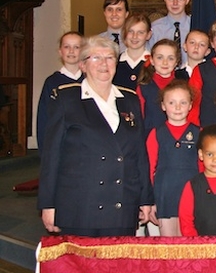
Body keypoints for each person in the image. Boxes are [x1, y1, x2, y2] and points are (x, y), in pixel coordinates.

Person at [38, 36, 154, 237]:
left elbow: (139, 155)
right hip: (81, 206)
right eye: (96, 58)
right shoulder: (65, 98)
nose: (104, 64)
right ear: (83, 65)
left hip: (122, 203)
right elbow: (52, 156)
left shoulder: (129, 99)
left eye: (109, 57)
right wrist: (48, 204)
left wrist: (145, 198)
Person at [146, 80, 200, 236]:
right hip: (165, 194)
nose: (177, 107)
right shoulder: (156, 134)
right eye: (172, 102)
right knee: (168, 245)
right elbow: (149, 168)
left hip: (191, 194)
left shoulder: (199, 133)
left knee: (189, 243)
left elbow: (203, 168)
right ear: (163, 105)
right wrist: (151, 200)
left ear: (190, 105)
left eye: (183, 102)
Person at [36, 31, 84, 150]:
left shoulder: (90, 81)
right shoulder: (52, 82)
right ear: (60, 51)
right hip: (61, 143)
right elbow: (44, 118)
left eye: (76, 47)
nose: (71, 51)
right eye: (67, 47)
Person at [137, 39, 184, 136]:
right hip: (150, 137)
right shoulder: (143, 87)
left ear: (177, 62)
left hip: (178, 136)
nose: (165, 62)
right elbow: (138, 117)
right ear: (152, 60)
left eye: (170, 58)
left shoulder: (183, 87)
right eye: (160, 58)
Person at [149, 0, 191, 66]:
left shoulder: (195, 26)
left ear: (187, 0)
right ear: (165, 0)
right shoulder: (155, 28)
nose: (175, 3)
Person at [113, 13, 152, 90]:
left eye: (140, 32)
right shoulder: (114, 62)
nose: (135, 36)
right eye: (130, 31)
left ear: (148, 35)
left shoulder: (155, 64)